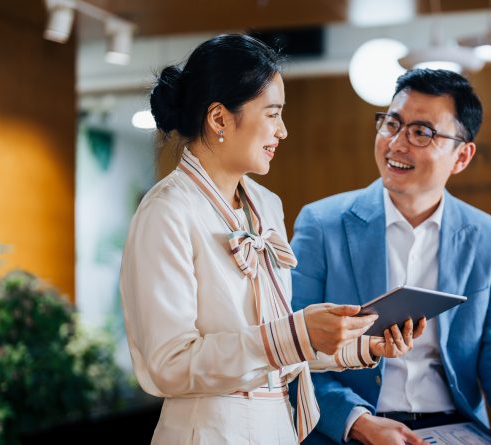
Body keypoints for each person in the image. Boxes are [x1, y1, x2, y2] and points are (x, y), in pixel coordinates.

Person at [119, 34, 422, 445]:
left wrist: (363, 345)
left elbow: (279, 352)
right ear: (219, 119)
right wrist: (294, 333)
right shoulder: (167, 211)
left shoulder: (266, 205)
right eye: (272, 114)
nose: (282, 131)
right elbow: (168, 366)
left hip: (277, 427)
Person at [291, 69, 491, 445]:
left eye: (421, 132)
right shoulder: (322, 224)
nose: (396, 144)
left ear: (462, 156)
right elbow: (293, 350)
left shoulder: (488, 238)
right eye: (392, 124)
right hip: (354, 429)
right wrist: (358, 422)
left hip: (454, 428)